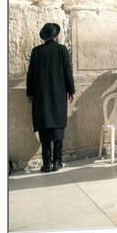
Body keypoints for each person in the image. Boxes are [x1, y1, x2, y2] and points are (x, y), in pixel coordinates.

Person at [26, 22, 75, 172]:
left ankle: (47, 163)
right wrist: (71, 90)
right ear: (56, 36)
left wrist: (30, 92)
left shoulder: (36, 52)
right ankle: (57, 162)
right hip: (58, 95)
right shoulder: (62, 50)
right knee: (58, 128)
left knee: (44, 129)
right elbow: (68, 72)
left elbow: (31, 75)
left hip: (41, 97)